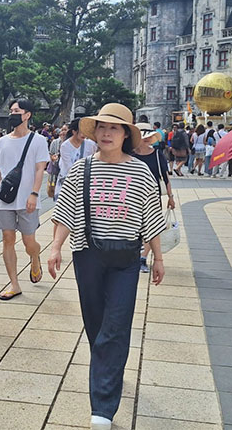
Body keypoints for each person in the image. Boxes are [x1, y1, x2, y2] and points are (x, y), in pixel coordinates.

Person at [47, 103, 166, 430]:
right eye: (102, 127)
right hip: (88, 256)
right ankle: (109, 370)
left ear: (126, 134)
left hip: (126, 259)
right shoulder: (82, 169)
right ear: (94, 132)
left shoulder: (141, 171)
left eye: (114, 128)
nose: (107, 133)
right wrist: (56, 246)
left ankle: (102, 407)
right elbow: (65, 210)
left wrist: (158, 257)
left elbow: (151, 217)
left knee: (115, 326)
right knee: (96, 325)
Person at [0, 99, 50, 300]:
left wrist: (34, 193)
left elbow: (39, 169)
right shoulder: (1, 142)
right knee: (7, 239)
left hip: (27, 198)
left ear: (27, 115)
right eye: (11, 110)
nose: (12, 114)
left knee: (29, 241)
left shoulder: (38, 140)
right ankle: (14, 284)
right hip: (4, 199)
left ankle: (35, 257)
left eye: (17, 110)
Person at [132, 122, 176, 272]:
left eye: (149, 137)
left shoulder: (157, 155)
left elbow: (165, 177)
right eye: (143, 137)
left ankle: (143, 257)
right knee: (135, 229)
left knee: (152, 228)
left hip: (152, 198)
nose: (146, 140)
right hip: (132, 198)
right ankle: (134, 256)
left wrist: (170, 197)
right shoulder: (129, 155)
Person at [56, 118, 97, 200]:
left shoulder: (91, 145)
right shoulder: (65, 146)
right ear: (74, 132)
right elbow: (69, 167)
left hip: (86, 181)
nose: (84, 134)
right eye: (81, 132)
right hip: (69, 181)